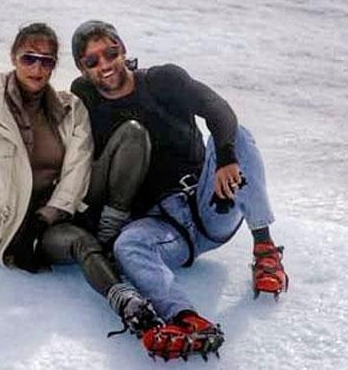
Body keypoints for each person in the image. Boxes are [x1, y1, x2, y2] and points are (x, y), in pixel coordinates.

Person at [70, 20, 288, 361]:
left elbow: (217, 107)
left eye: (110, 53)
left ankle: (265, 249)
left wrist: (225, 159)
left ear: (123, 49)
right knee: (129, 244)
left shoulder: (163, 81)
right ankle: (186, 318)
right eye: (91, 61)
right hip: (162, 227)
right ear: (82, 70)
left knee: (238, 134)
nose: (105, 65)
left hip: (209, 203)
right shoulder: (85, 99)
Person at [0, 22, 161, 336]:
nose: (38, 68)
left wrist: (49, 214)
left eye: (47, 61)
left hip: (64, 207)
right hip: (20, 225)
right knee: (82, 243)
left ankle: (109, 234)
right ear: (13, 57)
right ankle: (128, 304)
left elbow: (78, 167)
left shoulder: (70, 107)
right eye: (29, 58)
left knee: (133, 135)